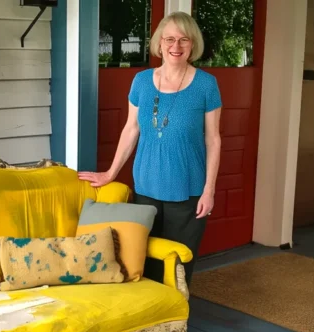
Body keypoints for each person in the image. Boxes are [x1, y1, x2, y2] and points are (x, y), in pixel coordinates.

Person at [78, 11, 221, 287]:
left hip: (188, 190)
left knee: (178, 265)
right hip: (145, 188)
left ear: (193, 45)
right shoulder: (142, 81)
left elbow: (213, 139)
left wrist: (209, 190)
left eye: (183, 40)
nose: (175, 47)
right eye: (169, 39)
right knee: (142, 261)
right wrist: (110, 173)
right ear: (159, 42)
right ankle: (150, 324)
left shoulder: (206, 85)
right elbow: (131, 129)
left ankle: (174, 322)